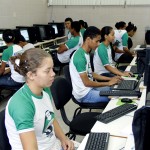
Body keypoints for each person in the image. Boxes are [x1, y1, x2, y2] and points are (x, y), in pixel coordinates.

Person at [5, 48, 75, 150]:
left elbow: (50, 117)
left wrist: (63, 138)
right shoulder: (22, 105)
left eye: (52, 68)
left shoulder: (45, 89)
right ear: (31, 75)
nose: (53, 74)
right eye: (47, 71)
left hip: (52, 144)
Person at [69, 26, 121, 103]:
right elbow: (87, 83)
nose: (99, 44)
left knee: (115, 89)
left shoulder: (86, 53)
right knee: (115, 97)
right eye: (97, 41)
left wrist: (110, 79)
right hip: (84, 94)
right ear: (88, 40)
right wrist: (108, 83)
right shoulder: (80, 57)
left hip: (90, 88)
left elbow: (91, 74)